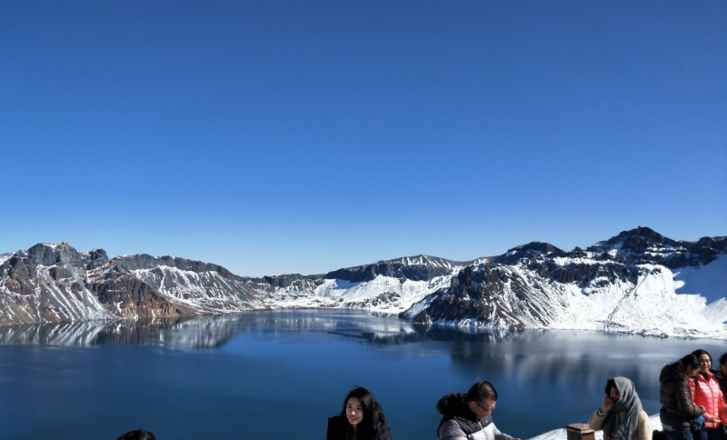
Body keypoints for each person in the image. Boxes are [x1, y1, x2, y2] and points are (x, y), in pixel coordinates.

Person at [436, 380, 520, 440]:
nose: (490, 413)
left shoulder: (483, 414)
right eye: (487, 409)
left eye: (492, 408)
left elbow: (494, 434)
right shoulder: (452, 426)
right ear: (473, 404)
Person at [660, 353, 705, 440]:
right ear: (689, 367)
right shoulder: (680, 380)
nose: (695, 374)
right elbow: (686, 409)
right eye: (696, 371)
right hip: (679, 426)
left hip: (667, 421)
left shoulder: (668, 375)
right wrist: (701, 410)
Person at [327, 386, 392, 440]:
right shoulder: (335, 425)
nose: (352, 413)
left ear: (366, 411)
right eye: (349, 407)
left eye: (358, 409)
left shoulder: (379, 432)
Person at [689, 350, 727, 440]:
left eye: (708, 361)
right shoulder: (692, 380)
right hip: (701, 426)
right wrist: (708, 417)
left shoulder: (714, 379)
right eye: (701, 361)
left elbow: (720, 403)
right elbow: (690, 404)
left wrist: (725, 419)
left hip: (716, 425)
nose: (705, 364)